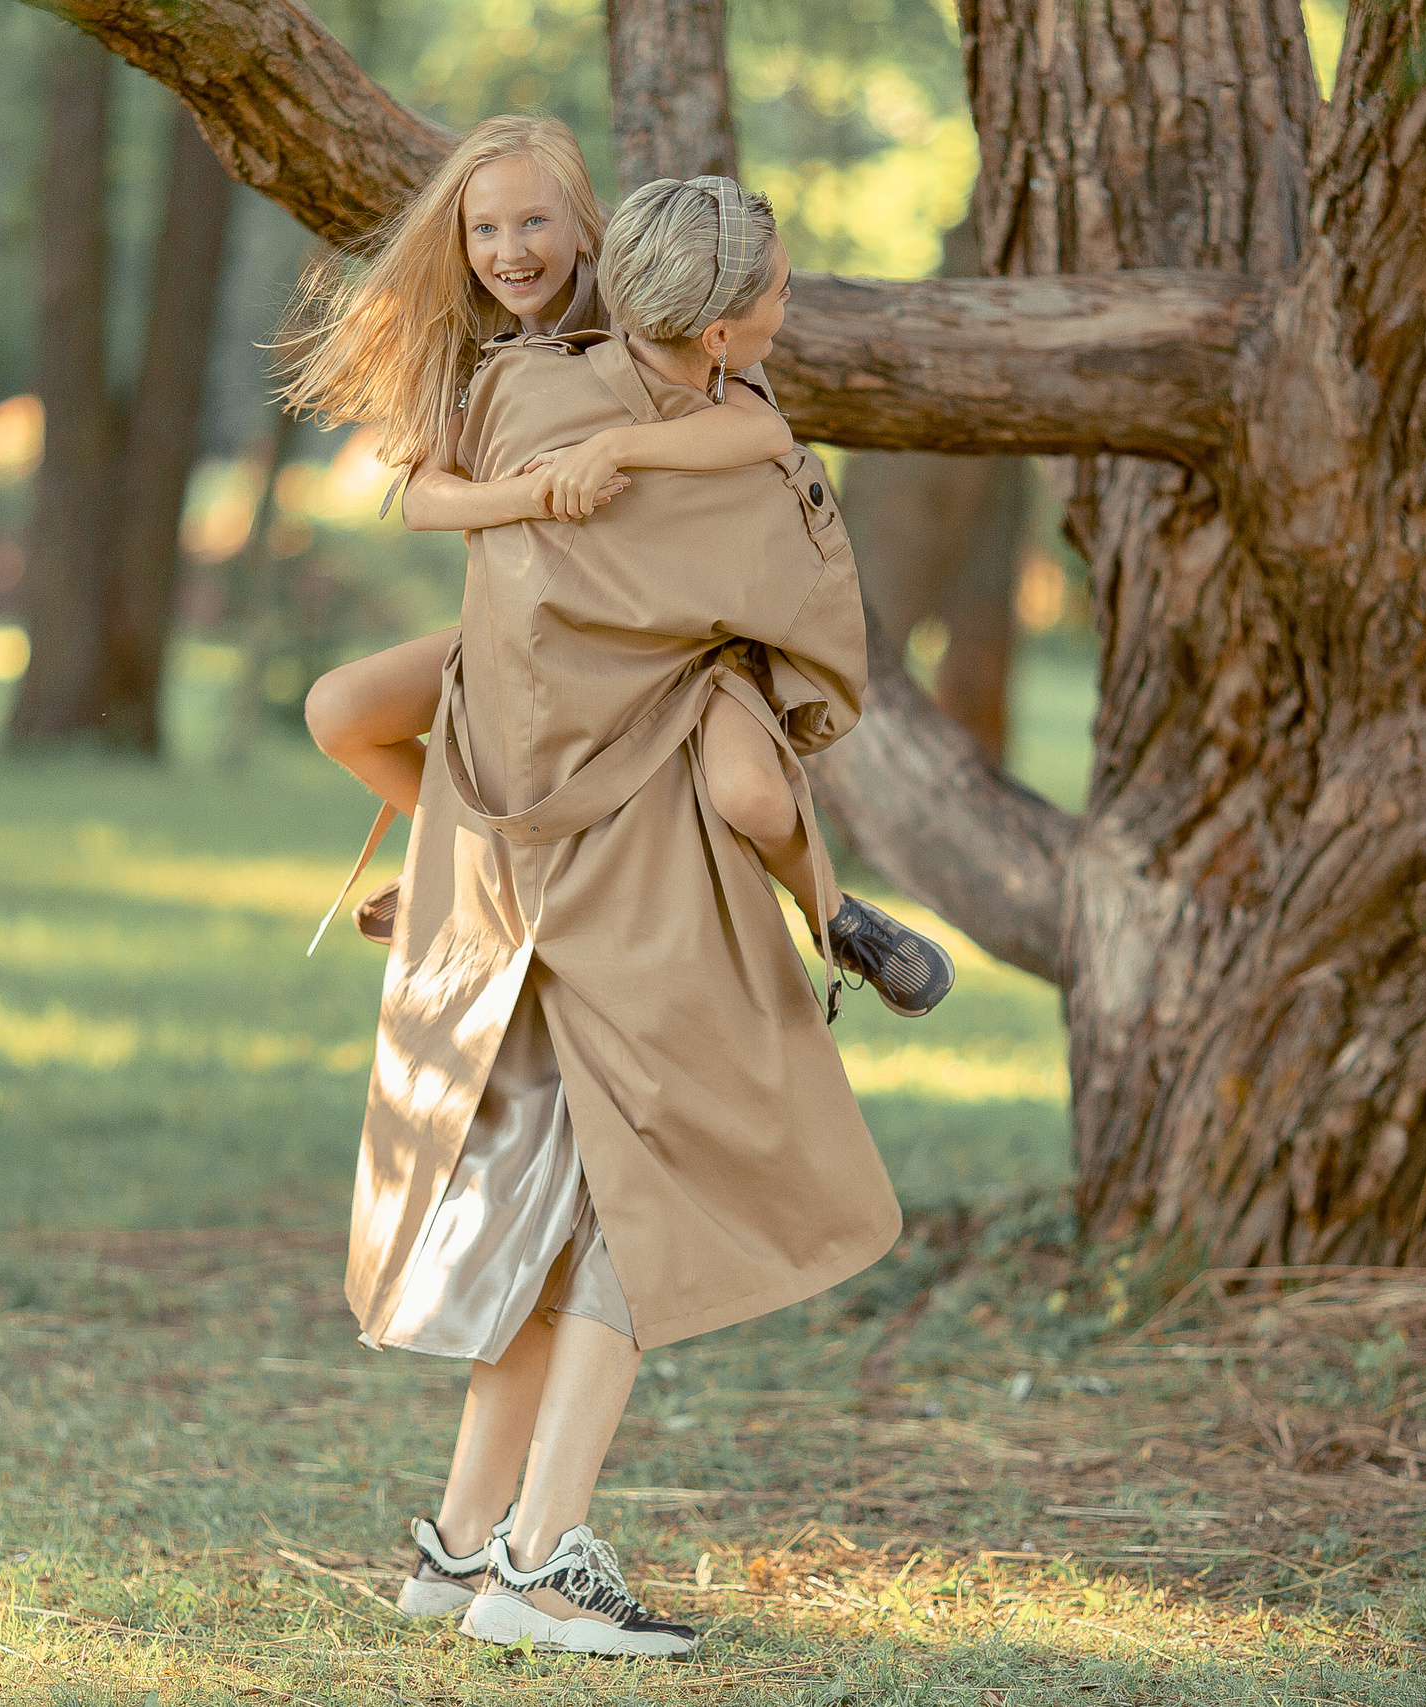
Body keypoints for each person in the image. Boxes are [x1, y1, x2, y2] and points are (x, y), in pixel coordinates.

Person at [345, 174, 921, 1659]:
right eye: (776, 291)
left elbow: (475, 586)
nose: (787, 305)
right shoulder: (734, 466)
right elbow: (779, 726)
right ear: (722, 326)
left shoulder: (521, 394)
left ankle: (459, 1541)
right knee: (637, 1194)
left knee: (555, 1192)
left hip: (508, 857)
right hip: (644, 866)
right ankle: (540, 1565)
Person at [277, 115, 950, 1015]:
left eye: (534, 223)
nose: (510, 251)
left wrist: (617, 447)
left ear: (581, 222)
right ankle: (462, 863)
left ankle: (837, 915)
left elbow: (760, 429)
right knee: (340, 710)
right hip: (544, 638)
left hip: (670, 640)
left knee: (752, 794)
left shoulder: (644, 304)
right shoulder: (469, 342)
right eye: (485, 229)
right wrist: (530, 493)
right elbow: (427, 498)